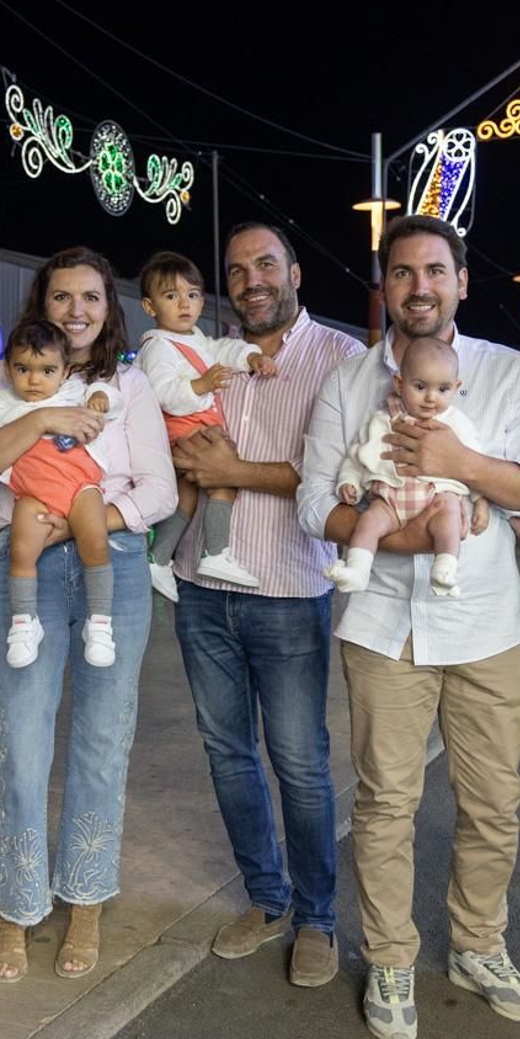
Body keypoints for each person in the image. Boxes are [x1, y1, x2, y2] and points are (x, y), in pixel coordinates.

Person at [298, 214, 520, 1039]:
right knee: (385, 802)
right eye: (403, 272)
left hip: (486, 626)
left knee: (493, 802)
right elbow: (315, 504)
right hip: (382, 628)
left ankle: (478, 943)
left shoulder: (505, 370)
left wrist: (460, 465)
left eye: (435, 271)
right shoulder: (348, 383)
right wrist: (410, 534)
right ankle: (390, 956)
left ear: (459, 281)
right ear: (384, 285)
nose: (420, 286)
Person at [0, 247, 173, 983]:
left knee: (103, 736)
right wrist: (44, 412)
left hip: (109, 560)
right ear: (40, 304)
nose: (75, 310)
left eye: (89, 297)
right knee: (18, 735)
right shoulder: (5, 374)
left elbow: (161, 490)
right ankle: (16, 907)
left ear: (108, 306)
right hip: (26, 569)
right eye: (60, 297)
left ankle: (84, 896)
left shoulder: (131, 383)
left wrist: (85, 520)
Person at [172, 222, 362, 989]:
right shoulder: (207, 358)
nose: (250, 278)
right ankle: (267, 897)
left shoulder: (341, 359)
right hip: (200, 586)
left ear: (295, 272)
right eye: (236, 268)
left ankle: (318, 916)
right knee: (227, 754)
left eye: (265, 264)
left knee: (301, 763)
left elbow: (341, 474)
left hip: (288, 590)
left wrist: (235, 468)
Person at [0, 319, 120, 669]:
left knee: (96, 539)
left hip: (79, 488)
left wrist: (102, 396)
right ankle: (24, 623)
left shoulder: (75, 391)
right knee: (21, 548)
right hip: (32, 495)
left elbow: (104, 398)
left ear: (65, 371)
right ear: (8, 368)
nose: (33, 380)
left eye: (47, 370)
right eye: (22, 369)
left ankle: (101, 622)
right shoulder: (2, 402)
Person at [133, 250, 276, 598]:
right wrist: (201, 385)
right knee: (226, 476)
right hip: (188, 428)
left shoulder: (192, 337)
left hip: (186, 430)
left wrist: (250, 356)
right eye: (171, 296)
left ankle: (159, 557)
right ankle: (216, 552)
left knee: (186, 499)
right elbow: (163, 393)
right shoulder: (157, 347)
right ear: (150, 308)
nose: (185, 303)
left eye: (193, 294)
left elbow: (222, 349)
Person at [324, 337, 486, 596]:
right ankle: (358, 570)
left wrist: (480, 502)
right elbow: (358, 455)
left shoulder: (457, 423)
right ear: (399, 384)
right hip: (391, 500)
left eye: (443, 389)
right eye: (420, 386)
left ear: (456, 388)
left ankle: (445, 569)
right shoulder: (382, 421)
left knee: (450, 520)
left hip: (438, 498)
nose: (431, 398)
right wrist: (349, 481)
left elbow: (474, 463)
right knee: (368, 521)